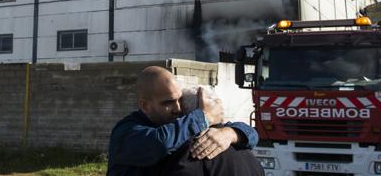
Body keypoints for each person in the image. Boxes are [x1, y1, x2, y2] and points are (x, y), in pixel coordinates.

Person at [107, 66, 264, 176]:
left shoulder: (180, 127)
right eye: (167, 102)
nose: (177, 108)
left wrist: (231, 133)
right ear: (145, 105)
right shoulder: (126, 131)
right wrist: (205, 117)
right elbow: (160, 142)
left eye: (178, 100)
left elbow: (253, 135)